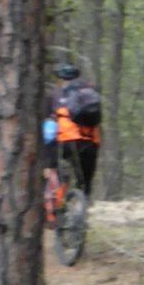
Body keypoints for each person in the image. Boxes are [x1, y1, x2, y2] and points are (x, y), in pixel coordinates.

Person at [43, 57, 103, 263]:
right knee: (85, 183)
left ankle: (54, 212)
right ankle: (81, 210)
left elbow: (48, 124)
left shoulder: (55, 94)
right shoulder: (91, 92)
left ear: (60, 78)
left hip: (66, 142)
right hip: (91, 143)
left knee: (51, 169)